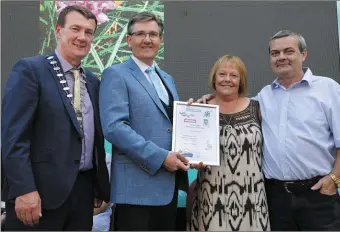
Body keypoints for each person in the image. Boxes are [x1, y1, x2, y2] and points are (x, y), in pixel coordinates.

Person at [200, 30, 340, 231]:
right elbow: (233, 104)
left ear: (304, 54)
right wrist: (208, 100)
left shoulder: (328, 89)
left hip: (318, 195)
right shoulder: (263, 97)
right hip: (276, 199)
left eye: (288, 51)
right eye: (275, 53)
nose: (281, 57)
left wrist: (335, 179)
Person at [1, 5, 110, 231]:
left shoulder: (93, 82)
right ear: (58, 30)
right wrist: (23, 189)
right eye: (75, 29)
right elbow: (13, 137)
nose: (82, 37)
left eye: (88, 32)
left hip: (82, 195)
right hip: (38, 195)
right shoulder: (31, 70)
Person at [99, 11, 190, 231]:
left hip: (167, 189)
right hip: (136, 192)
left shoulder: (166, 78)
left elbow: (167, 123)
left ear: (161, 40)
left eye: (153, 34)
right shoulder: (116, 74)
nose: (147, 39)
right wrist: (160, 158)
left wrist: (193, 115)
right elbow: (114, 128)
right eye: (140, 34)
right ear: (129, 40)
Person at [189, 55, 270, 231]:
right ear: (214, 78)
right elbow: (189, 149)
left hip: (252, 199)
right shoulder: (200, 109)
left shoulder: (257, 108)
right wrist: (190, 158)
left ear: (241, 81)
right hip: (211, 198)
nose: (227, 79)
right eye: (222, 74)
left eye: (234, 75)